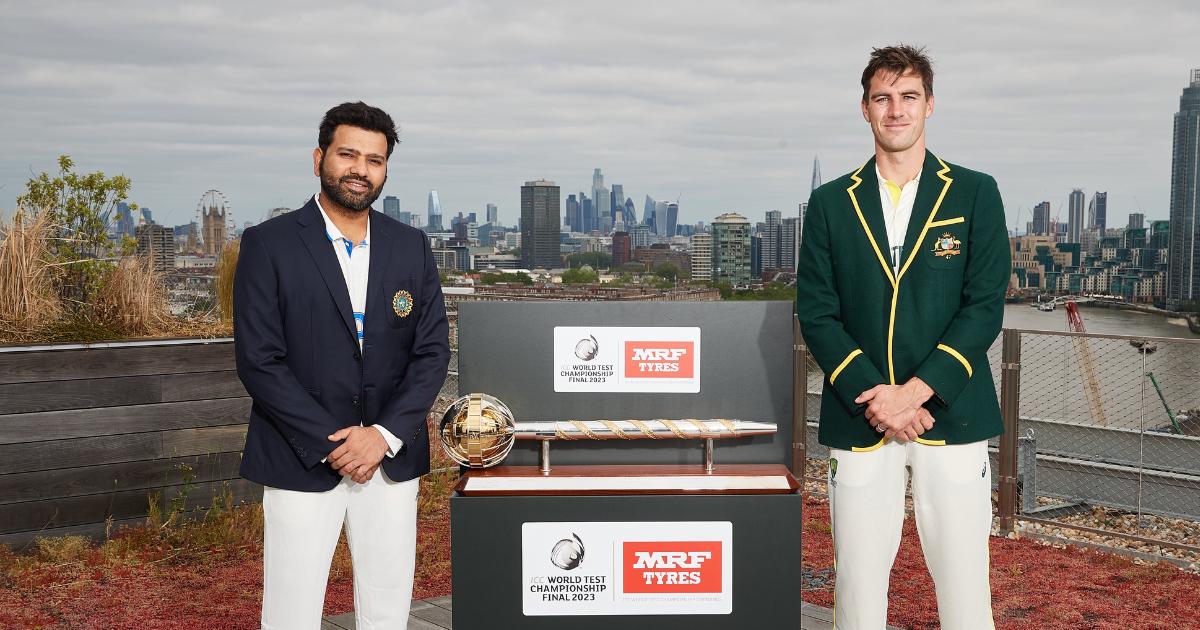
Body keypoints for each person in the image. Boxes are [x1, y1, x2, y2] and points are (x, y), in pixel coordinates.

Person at [796, 45, 1009, 630]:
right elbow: (817, 313)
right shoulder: (830, 203)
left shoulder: (974, 192)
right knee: (857, 585)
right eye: (882, 98)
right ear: (864, 108)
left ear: (930, 105)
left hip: (952, 414)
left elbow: (984, 307)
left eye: (908, 97)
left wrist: (915, 393)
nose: (896, 110)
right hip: (861, 416)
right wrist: (878, 398)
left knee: (965, 584)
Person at [234, 101, 450, 629]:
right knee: (291, 611)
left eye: (374, 160)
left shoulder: (411, 246)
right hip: (301, 457)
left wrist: (382, 436)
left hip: (389, 460)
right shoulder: (269, 244)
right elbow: (259, 361)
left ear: (385, 170)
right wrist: (334, 443)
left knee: (388, 608)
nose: (360, 170)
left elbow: (431, 353)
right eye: (348, 155)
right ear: (319, 159)